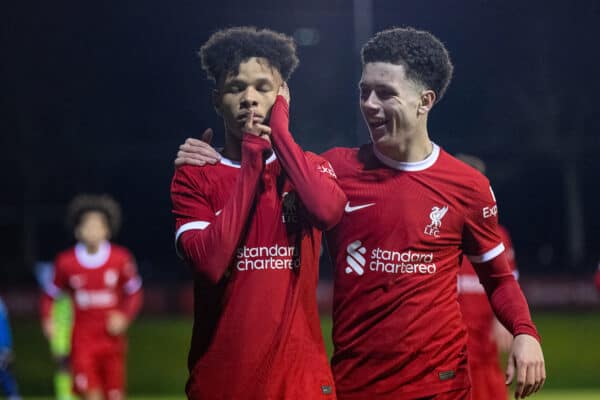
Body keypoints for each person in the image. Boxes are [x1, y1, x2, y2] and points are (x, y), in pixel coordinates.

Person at [174, 26, 546, 399]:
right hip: (355, 386)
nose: (369, 103)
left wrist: (524, 331)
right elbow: (293, 187)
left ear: (425, 100)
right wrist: (219, 160)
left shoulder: (467, 186)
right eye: (363, 91)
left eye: (385, 94)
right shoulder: (337, 169)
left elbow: (498, 277)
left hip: (441, 387)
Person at [170, 26, 346, 399]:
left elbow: (327, 212)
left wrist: (279, 134)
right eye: (236, 87)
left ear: (283, 96)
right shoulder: (194, 175)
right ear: (217, 99)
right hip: (222, 386)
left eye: (263, 87)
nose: (249, 98)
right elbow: (211, 263)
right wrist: (251, 162)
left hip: (301, 385)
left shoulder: (309, 168)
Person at [41, 194, 143, 400]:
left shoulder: (121, 259)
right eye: (88, 226)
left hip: (112, 341)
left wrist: (124, 316)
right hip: (82, 340)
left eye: (98, 225)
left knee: (114, 395)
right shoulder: (66, 262)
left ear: (107, 229)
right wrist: (48, 319)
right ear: (78, 230)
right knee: (91, 395)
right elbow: (49, 295)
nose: (93, 230)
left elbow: (134, 293)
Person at [455, 154, 518, 400]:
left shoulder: (497, 235)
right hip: (447, 333)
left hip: (483, 336)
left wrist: (502, 319)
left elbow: (507, 281)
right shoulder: (437, 228)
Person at [36, 261, 76, 400]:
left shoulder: (74, 290)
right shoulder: (53, 293)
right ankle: (64, 395)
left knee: (78, 363)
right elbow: (46, 302)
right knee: (63, 363)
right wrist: (48, 323)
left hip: (76, 330)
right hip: (60, 332)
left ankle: (77, 392)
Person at [0, 297, 21, 400]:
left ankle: (13, 396)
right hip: (4, 346)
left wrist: (5, 347)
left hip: (2, 346)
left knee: (5, 373)